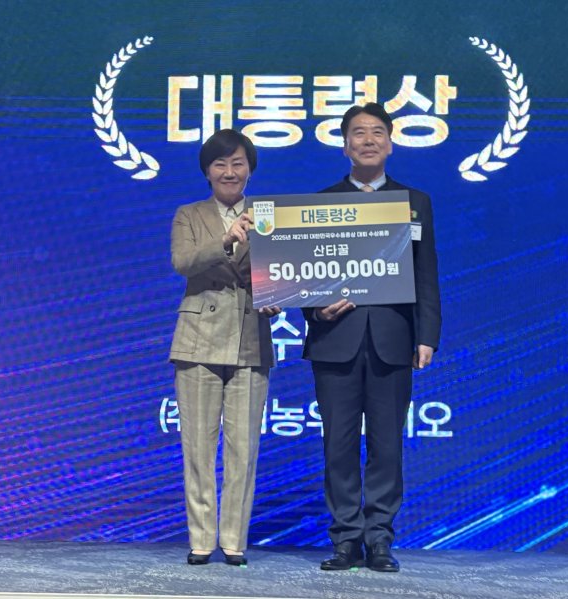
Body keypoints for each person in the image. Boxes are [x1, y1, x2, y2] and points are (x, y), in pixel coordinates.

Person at [303, 103, 441, 573]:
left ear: (391, 143)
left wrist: (427, 335)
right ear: (345, 146)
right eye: (358, 133)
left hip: (392, 339)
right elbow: (303, 274)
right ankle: (345, 538)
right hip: (335, 339)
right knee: (338, 446)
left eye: (377, 132)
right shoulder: (320, 203)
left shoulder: (414, 201)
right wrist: (314, 309)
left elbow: (426, 273)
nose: (368, 140)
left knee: (387, 445)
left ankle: (379, 538)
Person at [169, 129, 280, 566]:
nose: (229, 171)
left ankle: (234, 540)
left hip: (251, 338)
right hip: (198, 340)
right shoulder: (189, 214)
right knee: (198, 447)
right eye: (220, 164)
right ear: (207, 172)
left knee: (244, 448)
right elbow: (183, 262)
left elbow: (283, 271)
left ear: (250, 169)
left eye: (238, 163)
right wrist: (227, 238)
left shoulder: (269, 214)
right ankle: (201, 538)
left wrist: (278, 297)